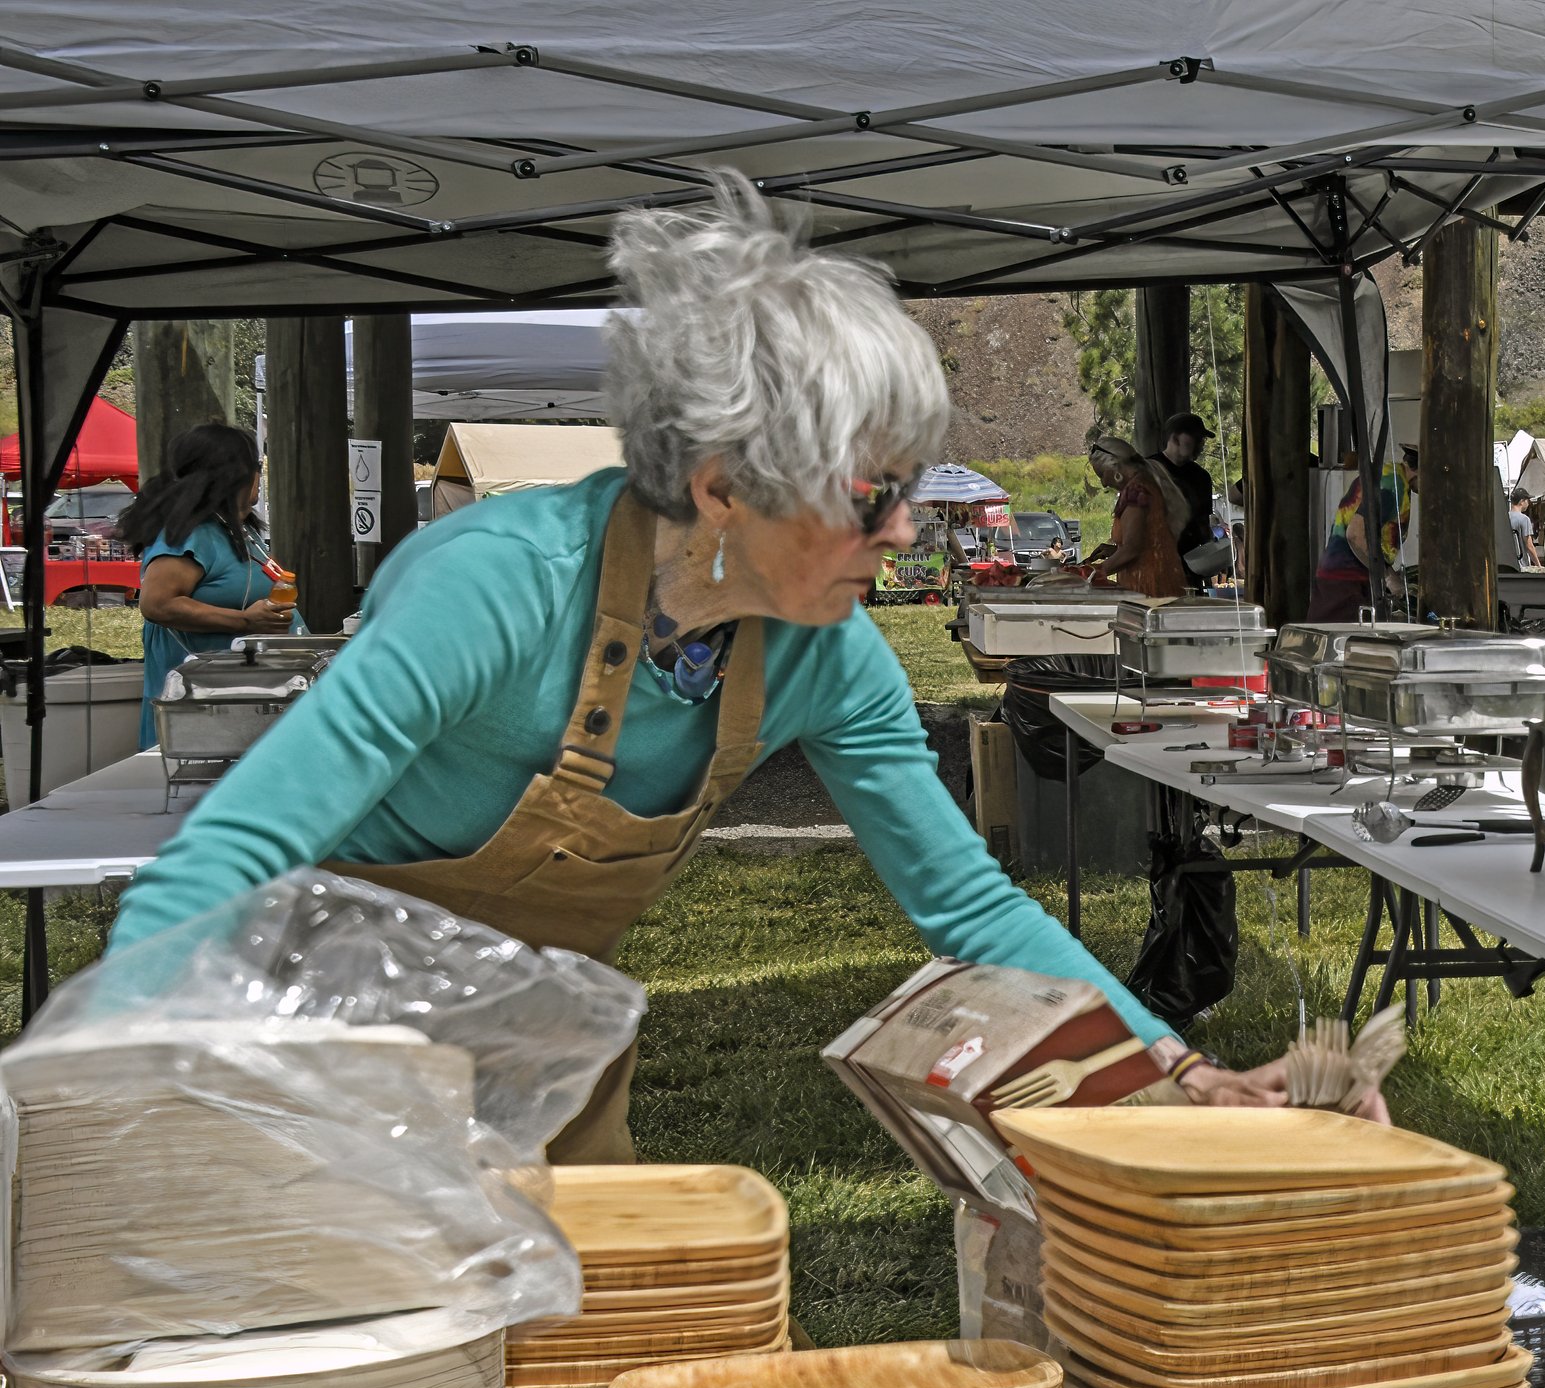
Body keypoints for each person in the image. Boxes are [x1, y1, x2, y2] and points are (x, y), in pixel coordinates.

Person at [105, 177, 1345, 1159]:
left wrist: (1184, 1075)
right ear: (723, 492)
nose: (909, 532)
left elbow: (970, 906)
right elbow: (226, 860)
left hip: (544, 1034)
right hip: (316, 1033)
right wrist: (97, 1103)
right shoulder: (487, 588)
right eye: (877, 497)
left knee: (596, 1370)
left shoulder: (828, 657)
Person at [121, 423, 295, 749]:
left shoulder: (237, 528)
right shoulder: (193, 534)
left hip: (239, 702)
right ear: (235, 474)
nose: (259, 474)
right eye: (256, 465)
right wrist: (245, 622)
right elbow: (157, 604)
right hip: (202, 712)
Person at [1310, 445, 1416, 624]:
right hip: (1347, 578)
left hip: (1342, 574)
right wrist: (1388, 576)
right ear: (1418, 469)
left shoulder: (1389, 475)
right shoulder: (1392, 485)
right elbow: (1356, 535)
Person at [1082, 436, 1188, 598]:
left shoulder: (1137, 491)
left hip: (1148, 584)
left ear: (1115, 467)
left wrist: (1094, 572)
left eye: (1102, 474)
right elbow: (1146, 541)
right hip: (1159, 576)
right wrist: (1115, 550)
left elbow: (1132, 549)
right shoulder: (1146, 482)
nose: (1103, 483)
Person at [1154, 412, 1216, 562]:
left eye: (1202, 440)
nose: (1201, 445)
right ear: (1175, 438)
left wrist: (1212, 551)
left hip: (1192, 561)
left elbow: (1203, 521)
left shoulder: (1202, 477)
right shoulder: (1148, 470)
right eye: (1196, 438)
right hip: (1155, 557)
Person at [1508, 487, 1538, 569]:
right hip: (1521, 565)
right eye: (1527, 500)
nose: (1528, 503)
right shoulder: (1524, 519)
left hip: (1507, 565)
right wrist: (1538, 565)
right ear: (1522, 501)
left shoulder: (1504, 518)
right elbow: (1529, 546)